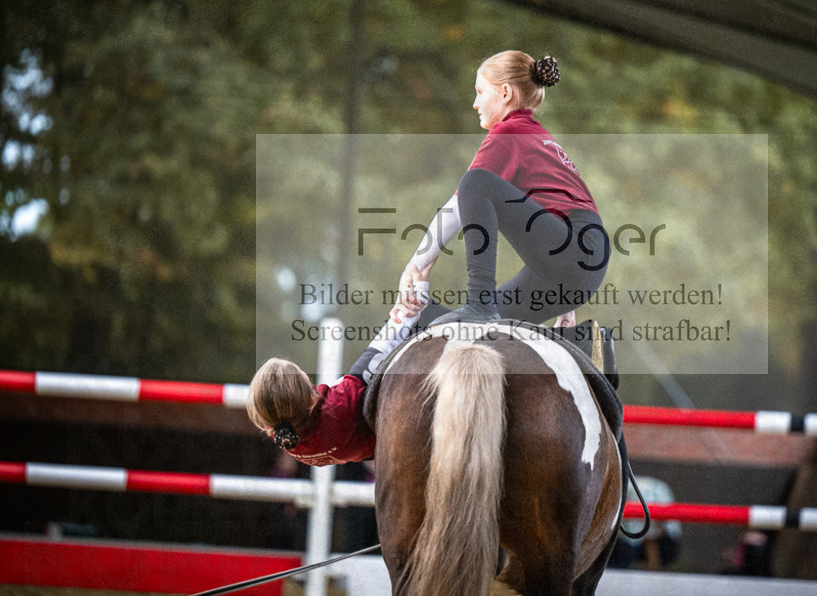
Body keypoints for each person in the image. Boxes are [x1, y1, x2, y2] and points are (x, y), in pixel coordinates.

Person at [347, 50, 613, 382]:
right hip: (576, 264)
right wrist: (566, 302)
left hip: (573, 252)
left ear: (505, 93)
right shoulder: (538, 137)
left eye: (480, 91)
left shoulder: (510, 133)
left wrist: (417, 264)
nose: (474, 102)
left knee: (476, 183)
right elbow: (564, 207)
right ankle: (578, 348)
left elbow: (459, 205)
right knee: (466, 329)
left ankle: (479, 301)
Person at [246, 357, 375, 466]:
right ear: (308, 392)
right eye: (301, 373)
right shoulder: (337, 404)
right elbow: (378, 350)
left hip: (362, 453)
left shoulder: (278, 431)